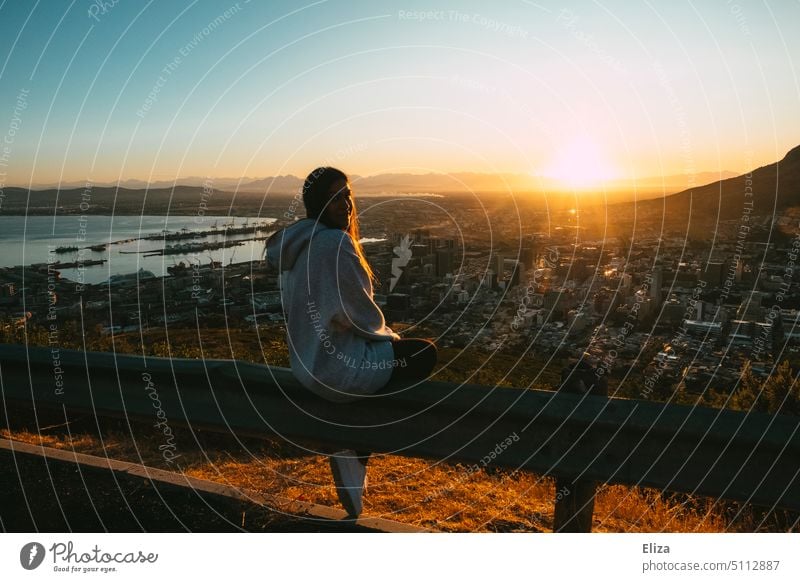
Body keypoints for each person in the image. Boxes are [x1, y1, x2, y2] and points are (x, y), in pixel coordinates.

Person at [265, 166, 437, 517]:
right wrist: (390, 337)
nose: (346, 203)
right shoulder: (335, 243)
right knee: (422, 354)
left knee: (394, 354)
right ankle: (356, 442)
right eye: (337, 196)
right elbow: (362, 317)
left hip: (306, 366)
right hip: (338, 367)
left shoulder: (297, 245)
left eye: (348, 195)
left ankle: (353, 442)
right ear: (319, 203)